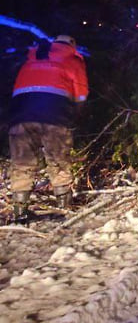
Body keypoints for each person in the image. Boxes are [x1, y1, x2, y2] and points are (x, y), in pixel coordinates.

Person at [7, 34, 88, 223]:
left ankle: (20, 212)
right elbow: (81, 94)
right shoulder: (73, 60)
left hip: (21, 116)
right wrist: (76, 114)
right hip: (55, 116)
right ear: (72, 46)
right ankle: (64, 208)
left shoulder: (32, 58)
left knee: (22, 162)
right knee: (58, 159)